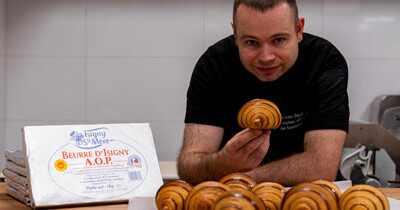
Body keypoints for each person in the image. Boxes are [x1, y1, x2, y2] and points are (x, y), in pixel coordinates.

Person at [177, 0, 349, 186]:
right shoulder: (214, 65)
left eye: (279, 40)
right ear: (235, 34)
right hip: (235, 200)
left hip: (305, 196)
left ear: (298, 29)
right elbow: (189, 165)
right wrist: (222, 162)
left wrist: (240, 178)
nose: (266, 57)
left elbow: (322, 167)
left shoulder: (324, 61)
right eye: (252, 42)